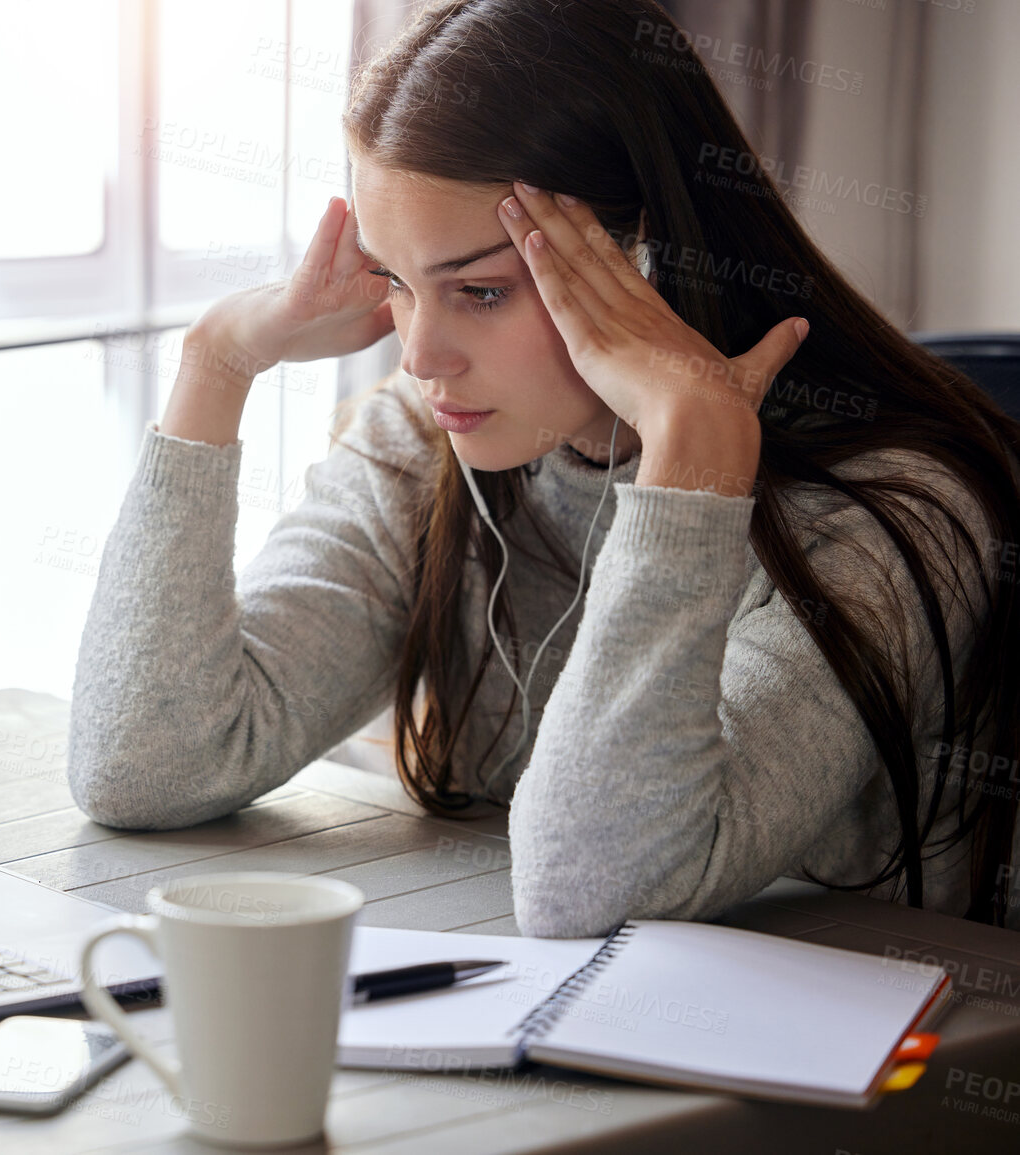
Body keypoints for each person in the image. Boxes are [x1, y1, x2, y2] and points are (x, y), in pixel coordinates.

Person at [67, 0, 1020, 937]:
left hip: (892, 1076)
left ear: (641, 265)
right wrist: (214, 365)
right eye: (398, 283)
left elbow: (599, 886)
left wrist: (691, 448)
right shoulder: (425, 434)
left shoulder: (895, 511)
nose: (421, 354)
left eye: (479, 291)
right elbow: (148, 765)